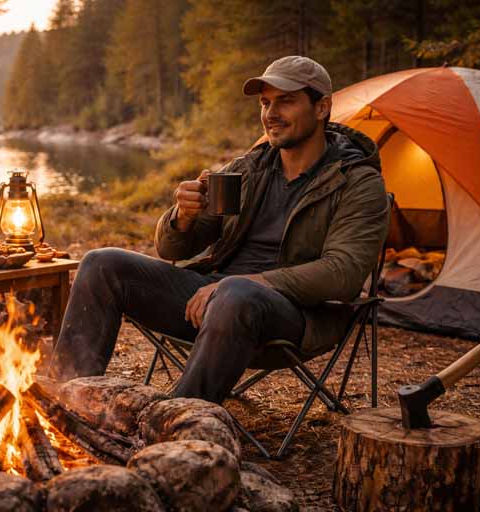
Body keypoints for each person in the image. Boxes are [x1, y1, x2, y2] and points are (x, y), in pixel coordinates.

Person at [49, 56, 389, 404]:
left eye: (286, 101)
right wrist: (183, 216)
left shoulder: (356, 182)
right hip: (212, 301)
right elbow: (174, 250)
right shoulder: (247, 171)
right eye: (265, 102)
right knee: (101, 263)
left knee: (235, 295)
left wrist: (247, 284)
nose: (271, 113)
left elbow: (343, 273)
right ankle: (64, 401)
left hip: (296, 315)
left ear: (322, 108)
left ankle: (174, 424)